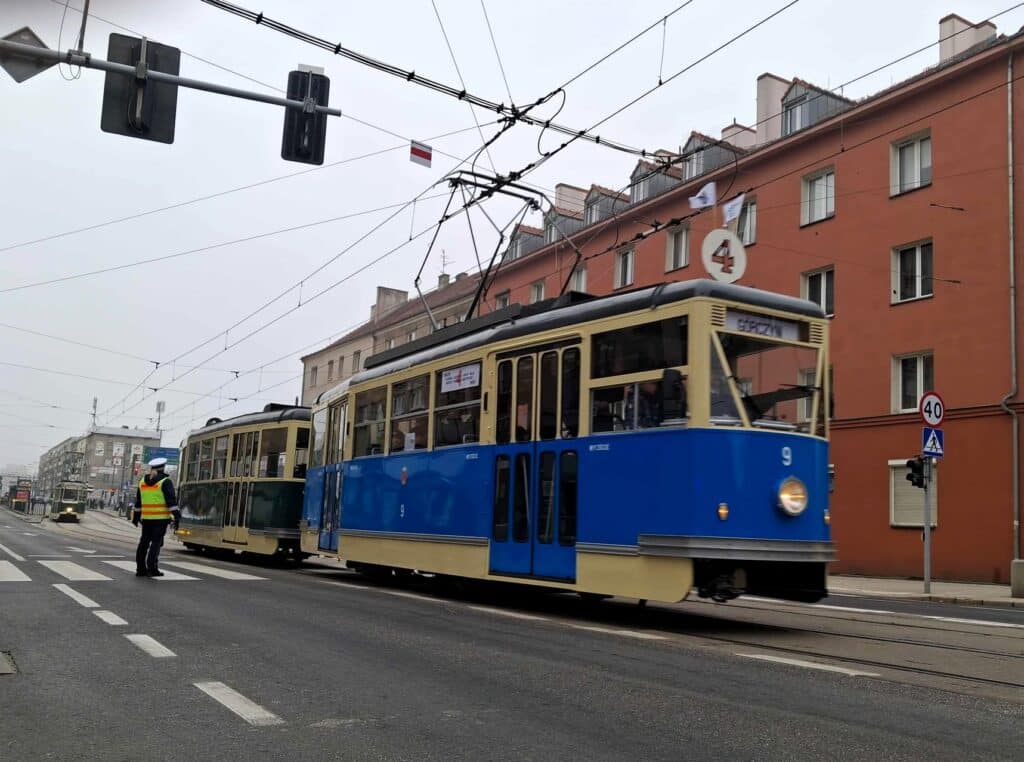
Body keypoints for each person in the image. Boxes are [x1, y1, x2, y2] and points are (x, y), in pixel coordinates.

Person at [132, 457, 180, 578]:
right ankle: (152, 568)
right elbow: (171, 502)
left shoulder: (143, 481)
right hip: (160, 519)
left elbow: (138, 502)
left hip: (146, 519)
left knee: (143, 543)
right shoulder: (165, 481)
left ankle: (140, 569)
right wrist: (177, 516)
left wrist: (136, 517)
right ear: (163, 468)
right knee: (156, 544)